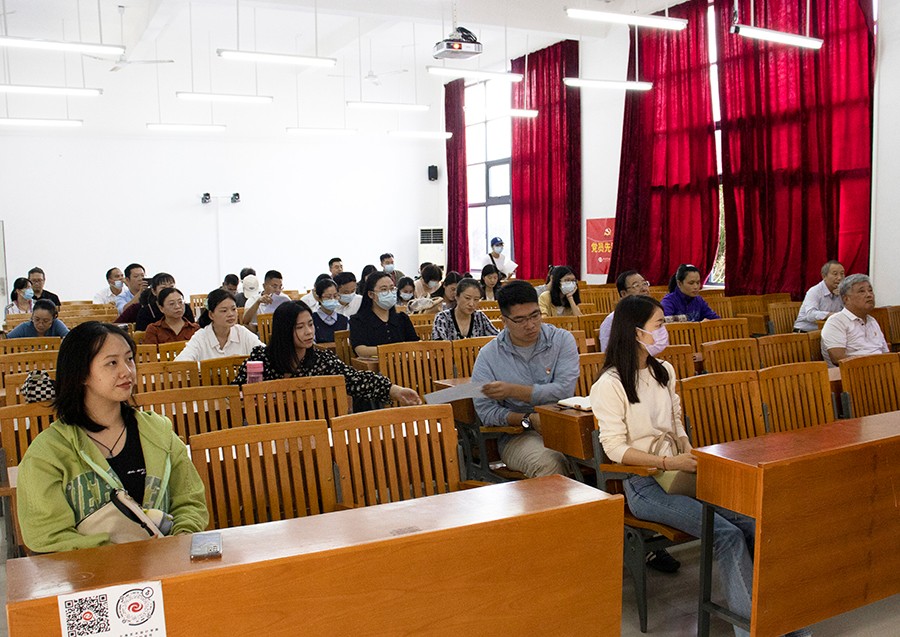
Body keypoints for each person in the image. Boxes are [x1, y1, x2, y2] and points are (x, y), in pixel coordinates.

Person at [590, 295, 810, 637]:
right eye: (659, 325)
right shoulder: (610, 383)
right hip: (644, 484)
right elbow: (615, 449)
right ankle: (754, 632)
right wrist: (667, 461)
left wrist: (687, 453)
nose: (664, 331)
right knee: (725, 535)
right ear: (635, 333)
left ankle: (787, 625)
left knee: (756, 524)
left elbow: (676, 422)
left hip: (680, 474)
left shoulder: (664, 371)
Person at [16, 321, 208, 553]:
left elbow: (190, 501)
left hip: (168, 562)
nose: (127, 371)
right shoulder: (49, 453)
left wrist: (181, 539)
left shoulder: (158, 432)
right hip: (91, 573)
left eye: (129, 359)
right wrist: (126, 557)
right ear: (81, 374)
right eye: (112, 363)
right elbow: (48, 536)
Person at [471, 280, 578, 477]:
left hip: (565, 425)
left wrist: (513, 391)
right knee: (550, 463)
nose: (530, 325)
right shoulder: (489, 355)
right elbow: (486, 411)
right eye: (520, 320)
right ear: (504, 321)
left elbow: (564, 390)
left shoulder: (561, 340)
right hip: (519, 435)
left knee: (608, 454)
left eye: (535, 315)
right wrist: (527, 419)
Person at [233, 301, 421, 409]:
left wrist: (395, 390)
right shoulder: (261, 359)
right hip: (269, 433)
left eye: (310, 324)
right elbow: (235, 393)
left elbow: (356, 379)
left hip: (314, 431)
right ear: (284, 331)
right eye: (300, 327)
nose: (309, 332)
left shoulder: (321, 360)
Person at [176, 289, 263, 362]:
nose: (231, 314)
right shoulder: (201, 337)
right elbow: (180, 363)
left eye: (233, 309)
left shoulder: (242, 332)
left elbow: (264, 353)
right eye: (224, 311)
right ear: (211, 315)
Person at [820, 274, 888, 367]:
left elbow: (885, 353)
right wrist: (872, 365)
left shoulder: (872, 321)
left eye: (870, 290)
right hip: (853, 372)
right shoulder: (836, 322)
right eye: (862, 291)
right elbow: (838, 359)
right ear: (846, 299)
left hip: (879, 369)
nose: (869, 295)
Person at [350, 272, 419, 357]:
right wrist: (394, 351)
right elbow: (361, 350)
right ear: (371, 294)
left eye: (392, 288)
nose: (390, 293)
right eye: (384, 290)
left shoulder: (402, 318)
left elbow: (414, 343)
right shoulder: (358, 320)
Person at [431, 278, 499, 341]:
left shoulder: (480, 317)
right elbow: (439, 344)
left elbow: (497, 338)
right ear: (456, 296)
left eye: (476, 299)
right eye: (467, 298)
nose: (471, 304)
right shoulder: (443, 318)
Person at [599, 270, 651, 351]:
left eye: (644, 284)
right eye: (636, 285)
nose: (644, 289)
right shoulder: (613, 320)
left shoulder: (653, 314)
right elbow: (608, 353)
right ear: (623, 294)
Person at [793, 260, 845, 332]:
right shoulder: (814, 291)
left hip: (826, 332)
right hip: (804, 333)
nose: (839, 278)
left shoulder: (842, 292)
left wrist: (847, 294)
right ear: (824, 276)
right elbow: (810, 315)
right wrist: (831, 315)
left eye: (842, 274)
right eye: (835, 274)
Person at [311, 278, 349, 343]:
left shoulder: (344, 320)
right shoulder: (312, 320)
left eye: (335, 296)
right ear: (319, 298)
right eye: (328, 297)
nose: (332, 299)